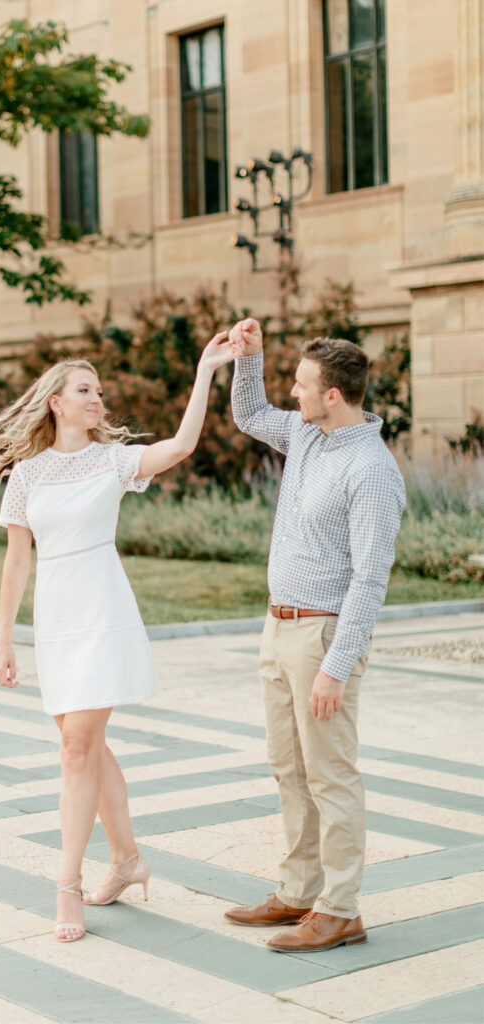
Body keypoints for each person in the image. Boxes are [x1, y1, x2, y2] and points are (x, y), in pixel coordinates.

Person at [0, 334, 235, 943]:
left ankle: (66, 885)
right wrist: (3, 640)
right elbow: (16, 563)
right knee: (88, 745)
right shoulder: (27, 475)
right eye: (84, 390)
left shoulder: (113, 462)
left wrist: (205, 369)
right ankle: (128, 859)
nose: (96, 399)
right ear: (55, 402)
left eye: (99, 392)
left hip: (104, 610)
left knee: (77, 749)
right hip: (57, 620)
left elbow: (183, 445)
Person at [224, 319, 405, 953]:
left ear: (334, 394)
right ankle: (299, 891)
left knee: (330, 774)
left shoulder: (373, 471)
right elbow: (249, 413)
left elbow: (370, 577)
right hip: (278, 628)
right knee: (289, 769)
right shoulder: (305, 433)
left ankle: (340, 908)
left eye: (302, 385)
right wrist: (251, 357)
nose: (293, 395)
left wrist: (338, 664)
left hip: (323, 637)